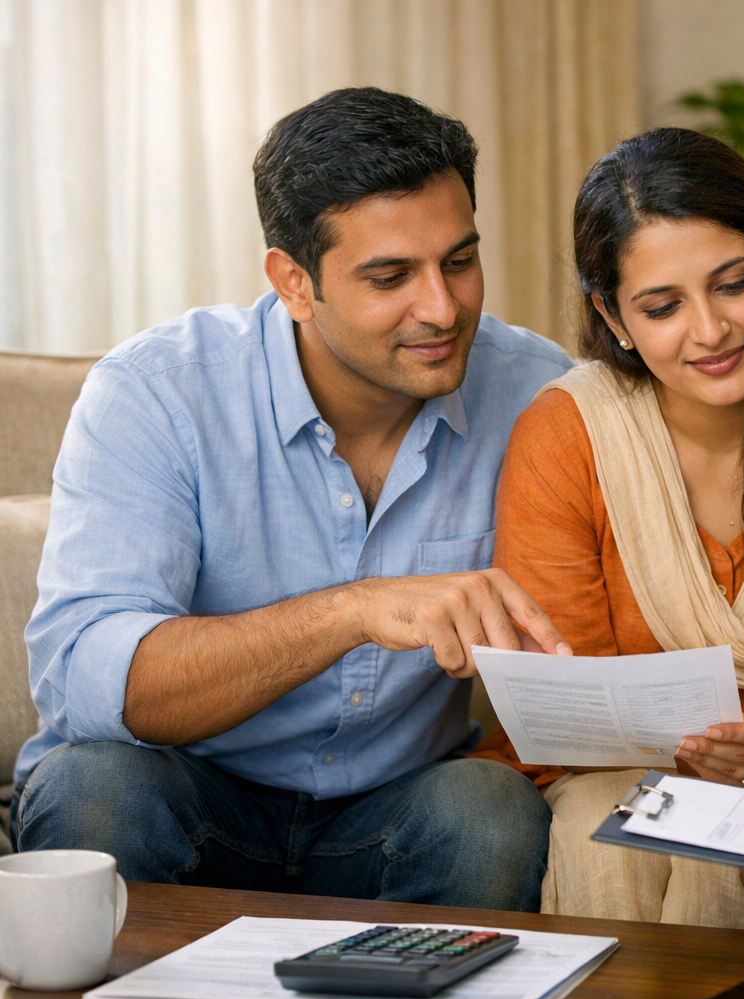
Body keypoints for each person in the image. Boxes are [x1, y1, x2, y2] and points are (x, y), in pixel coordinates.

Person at [12, 87, 574, 912]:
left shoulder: (538, 391)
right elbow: (92, 678)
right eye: (391, 277)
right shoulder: (156, 393)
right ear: (294, 282)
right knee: (94, 788)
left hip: (397, 811)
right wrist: (351, 611)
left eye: (459, 260)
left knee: (490, 814)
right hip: (191, 794)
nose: (443, 308)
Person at [472, 127, 744, 930]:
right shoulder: (571, 432)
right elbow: (565, 700)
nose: (709, 332)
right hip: (605, 772)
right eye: (663, 307)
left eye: (732, 284)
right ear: (613, 314)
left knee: (716, 859)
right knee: (613, 830)